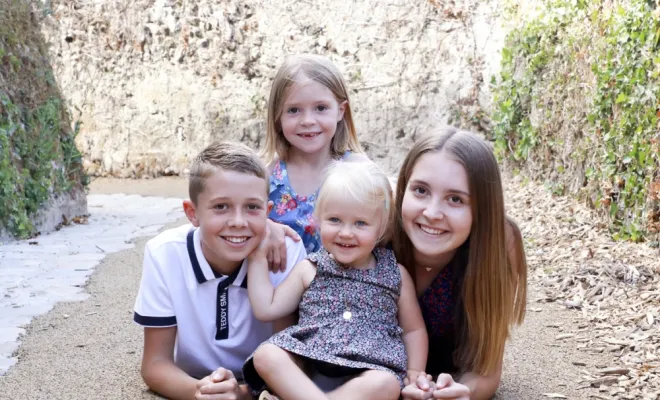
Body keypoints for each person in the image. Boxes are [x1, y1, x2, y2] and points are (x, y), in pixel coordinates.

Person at [133, 142, 306, 400]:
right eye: (221, 206)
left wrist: (244, 393)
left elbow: (295, 358)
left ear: (268, 212)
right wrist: (201, 393)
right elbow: (155, 365)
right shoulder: (164, 253)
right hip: (192, 378)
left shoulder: (286, 252)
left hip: (264, 377)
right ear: (192, 213)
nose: (238, 222)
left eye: (252, 207)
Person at [242, 161, 429, 400]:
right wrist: (257, 255)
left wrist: (415, 372)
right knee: (266, 355)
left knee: (387, 384)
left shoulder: (394, 273)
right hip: (309, 363)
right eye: (334, 220)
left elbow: (413, 330)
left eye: (360, 223)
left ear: (381, 227)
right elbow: (266, 308)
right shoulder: (310, 268)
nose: (346, 232)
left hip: (370, 369)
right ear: (318, 220)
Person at [394, 127, 528, 400]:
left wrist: (463, 392)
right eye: (420, 190)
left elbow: (486, 370)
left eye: (455, 199)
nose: (431, 213)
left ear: (482, 210)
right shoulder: (371, 231)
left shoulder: (500, 244)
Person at [260, 54, 371, 270]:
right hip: (276, 296)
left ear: (340, 111)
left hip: (340, 296)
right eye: (293, 110)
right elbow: (235, 221)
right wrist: (264, 227)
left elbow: (384, 229)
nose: (308, 121)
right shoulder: (266, 173)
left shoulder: (360, 170)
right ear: (278, 116)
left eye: (320, 108)